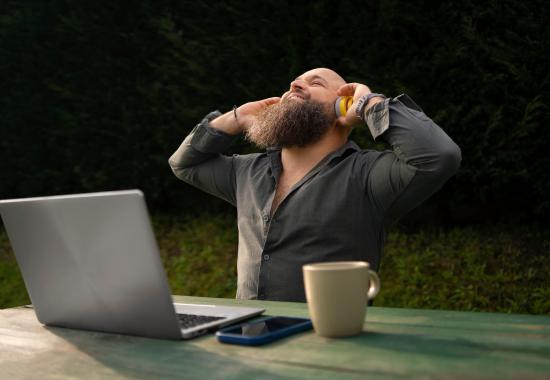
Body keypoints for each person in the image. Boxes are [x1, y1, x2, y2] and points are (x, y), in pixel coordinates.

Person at [169, 68, 461, 302]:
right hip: (249, 340)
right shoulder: (246, 171)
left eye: (315, 82)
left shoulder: (369, 176)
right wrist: (236, 117)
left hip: (331, 344)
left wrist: (368, 104)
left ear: (343, 107)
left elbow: (438, 156)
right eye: (293, 83)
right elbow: (184, 163)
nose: (294, 86)